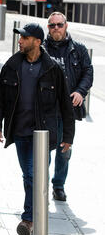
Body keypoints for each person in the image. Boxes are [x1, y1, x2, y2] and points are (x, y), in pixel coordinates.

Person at [0, 23, 75, 235]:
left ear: (37, 41)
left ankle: (29, 219)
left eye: (25, 38)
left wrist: (68, 137)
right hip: (20, 131)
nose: (20, 41)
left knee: (33, 174)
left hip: (42, 134)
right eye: (20, 38)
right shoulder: (11, 65)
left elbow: (65, 105)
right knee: (31, 174)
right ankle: (36, 209)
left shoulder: (53, 68)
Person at [43, 12, 93, 201]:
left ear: (66, 25)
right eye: (52, 25)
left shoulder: (78, 49)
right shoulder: (41, 47)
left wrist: (80, 91)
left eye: (59, 25)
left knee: (64, 149)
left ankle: (58, 186)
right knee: (43, 149)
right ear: (48, 27)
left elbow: (88, 72)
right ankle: (42, 186)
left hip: (67, 111)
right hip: (46, 110)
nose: (56, 28)